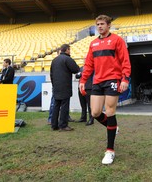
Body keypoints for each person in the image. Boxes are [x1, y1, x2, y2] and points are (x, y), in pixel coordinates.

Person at [79, 14, 131, 165]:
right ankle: (113, 127)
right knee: (95, 113)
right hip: (97, 81)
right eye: (98, 24)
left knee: (109, 111)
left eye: (102, 24)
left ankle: (110, 151)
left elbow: (125, 61)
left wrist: (125, 78)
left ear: (108, 25)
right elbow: (89, 64)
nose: (100, 26)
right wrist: (83, 80)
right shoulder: (93, 43)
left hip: (112, 80)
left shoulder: (117, 40)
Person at [50, 44, 80, 131]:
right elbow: (76, 69)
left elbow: (51, 74)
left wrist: (54, 85)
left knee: (56, 105)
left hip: (56, 86)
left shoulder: (54, 60)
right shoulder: (67, 59)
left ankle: (54, 125)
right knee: (64, 106)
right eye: (69, 50)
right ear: (67, 50)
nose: (70, 51)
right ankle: (63, 125)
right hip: (65, 86)